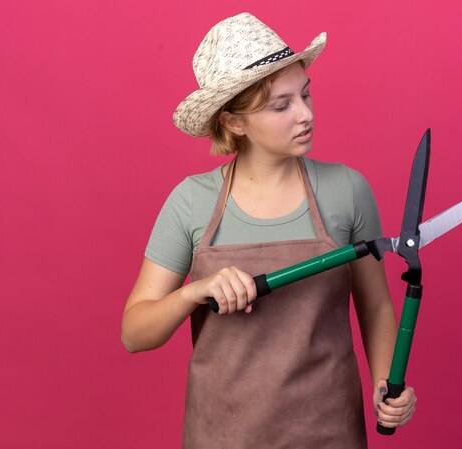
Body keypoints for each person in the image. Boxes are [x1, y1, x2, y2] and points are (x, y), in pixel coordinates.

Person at [121, 12, 416, 448]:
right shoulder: (191, 201)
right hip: (221, 435)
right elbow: (134, 333)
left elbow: (375, 309)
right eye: (282, 105)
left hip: (328, 431)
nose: (305, 115)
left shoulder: (347, 190)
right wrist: (193, 292)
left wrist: (386, 383)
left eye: (306, 95)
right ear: (233, 122)